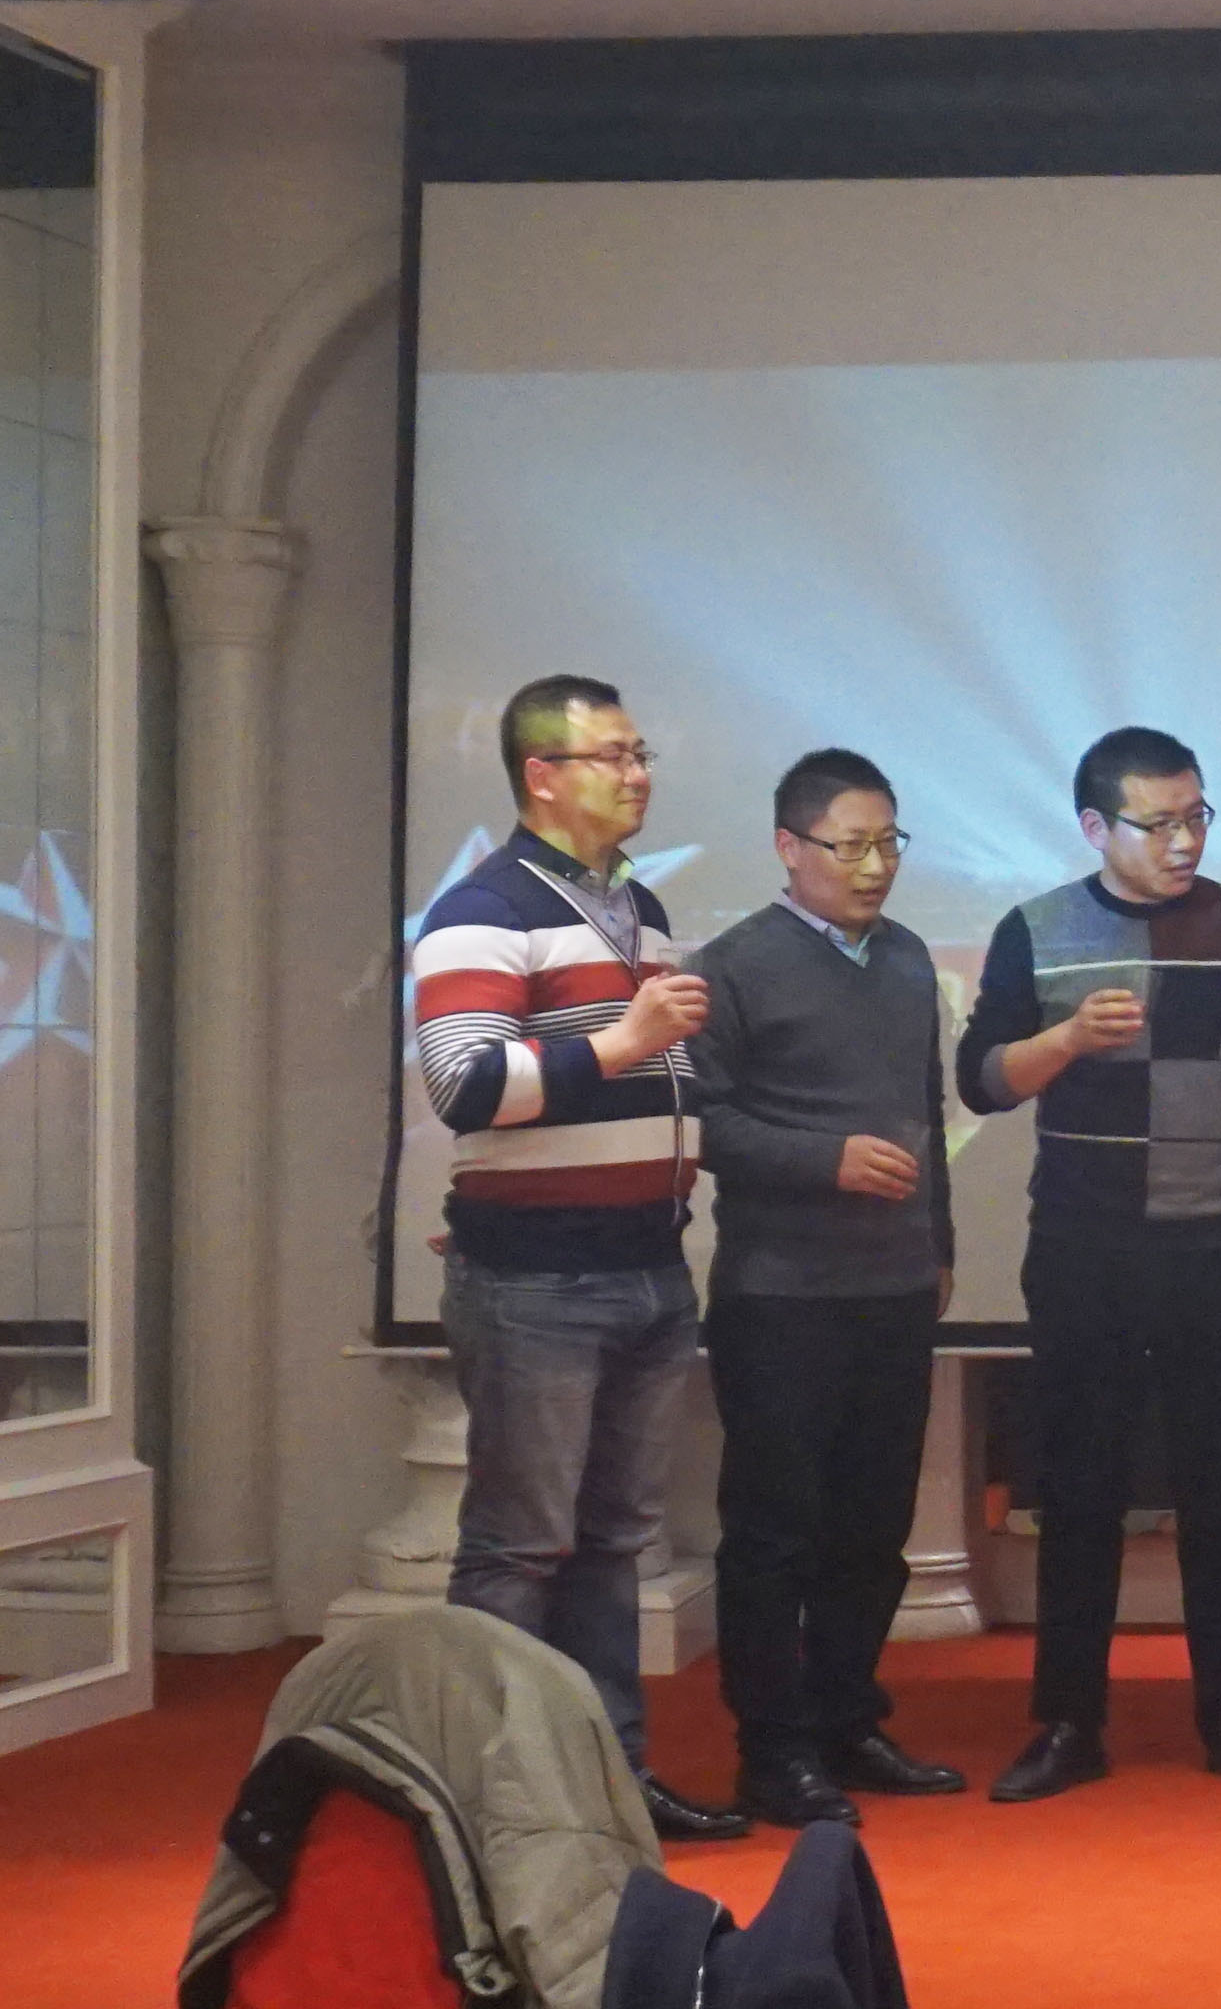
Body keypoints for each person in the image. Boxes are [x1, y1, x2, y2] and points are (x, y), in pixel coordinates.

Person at [405, 673, 745, 1844]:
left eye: (642, 753)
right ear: (541, 776)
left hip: (649, 1266)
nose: (639, 774)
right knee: (520, 1547)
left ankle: (606, 1788)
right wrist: (628, 1039)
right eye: (613, 755)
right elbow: (465, 1086)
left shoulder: (636, 905)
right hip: (538, 1281)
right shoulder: (481, 910)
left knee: (611, 1547)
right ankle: (490, 1805)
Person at [958, 726, 1221, 1803]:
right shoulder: (1036, 929)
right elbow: (982, 1080)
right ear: (1094, 827)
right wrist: (1067, 1040)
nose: (1184, 842)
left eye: (1196, 817)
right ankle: (1070, 1722)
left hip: (1217, 1246)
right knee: (1080, 1494)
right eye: (1157, 823)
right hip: (1086, 1248)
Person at [682, 748, 968, 1830]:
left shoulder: (905, 959)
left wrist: (939, 1241)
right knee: (775, 1531)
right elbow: (699, 1122)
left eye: (890, 843)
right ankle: (773, 1750)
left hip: (895, 1284)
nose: (875, 866)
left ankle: (849, 1719)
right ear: (788, 847)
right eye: (851, 846)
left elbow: (926, 1115)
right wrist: (823, 1161)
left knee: (873, 1526)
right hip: (780, 1292)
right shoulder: (733, 967)